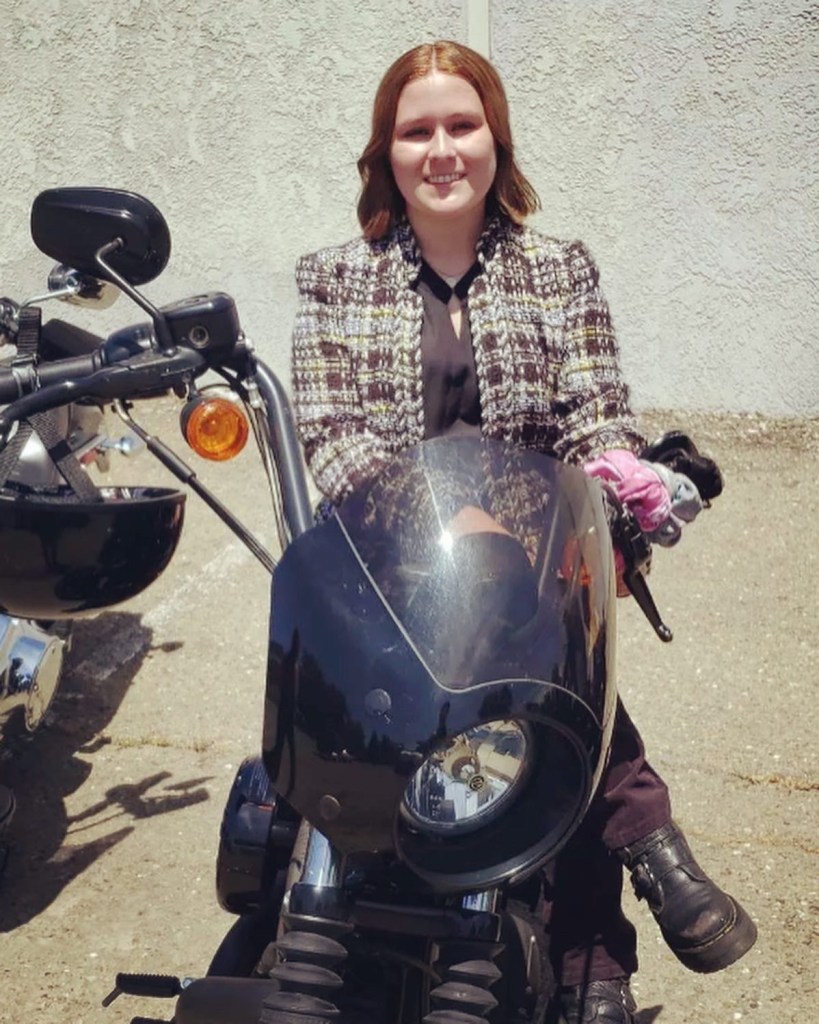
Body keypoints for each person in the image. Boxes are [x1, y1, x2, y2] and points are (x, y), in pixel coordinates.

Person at [290, 39, 756, 1024]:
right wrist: (440, 515)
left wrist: (621, 483)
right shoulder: (334, 279)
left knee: (553, 710)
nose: (442, 150)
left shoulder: (558, 269)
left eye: (462, 125)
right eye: (417, 130)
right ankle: (650, 840)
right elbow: (332, 438)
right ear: (385, 152)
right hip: (396, 569)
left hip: (533, 565)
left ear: (496, 140)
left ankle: (595, 969)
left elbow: (595, 413)